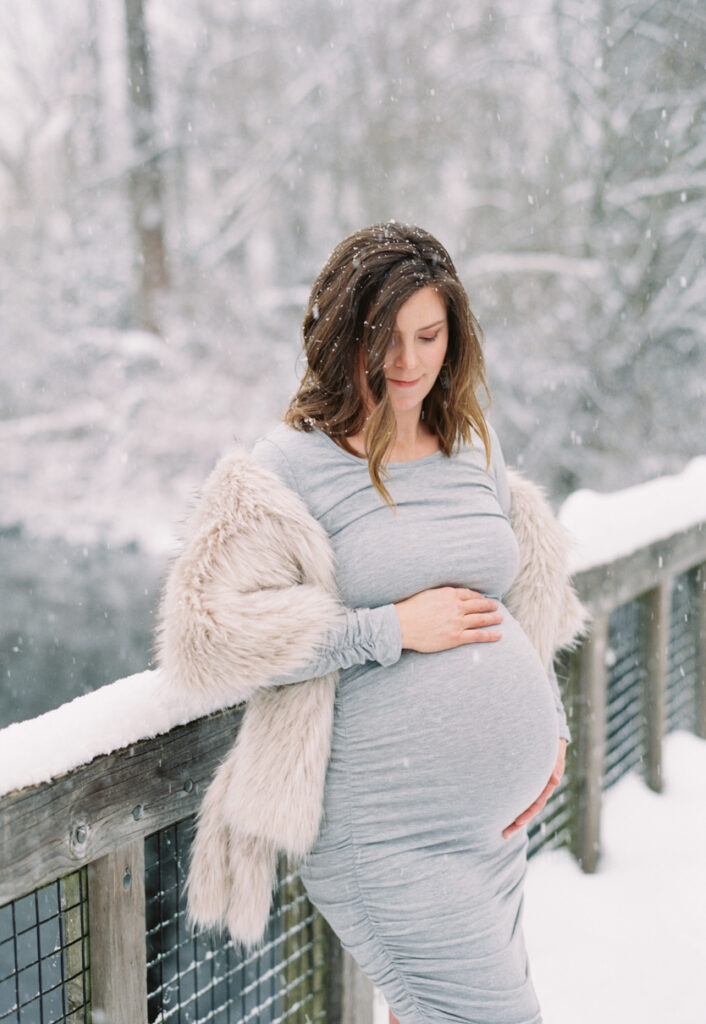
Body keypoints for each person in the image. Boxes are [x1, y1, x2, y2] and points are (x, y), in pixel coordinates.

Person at [157, 222, 587, 1024]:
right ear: (339, 335)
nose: (408, 362)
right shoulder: (288, 466)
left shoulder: (468, 443)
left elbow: (515, 604)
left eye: (429, 335)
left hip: (493, 836)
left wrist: (550, 725)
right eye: (384, 338)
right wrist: (388, 628)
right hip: (386, 838)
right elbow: (210, 635)